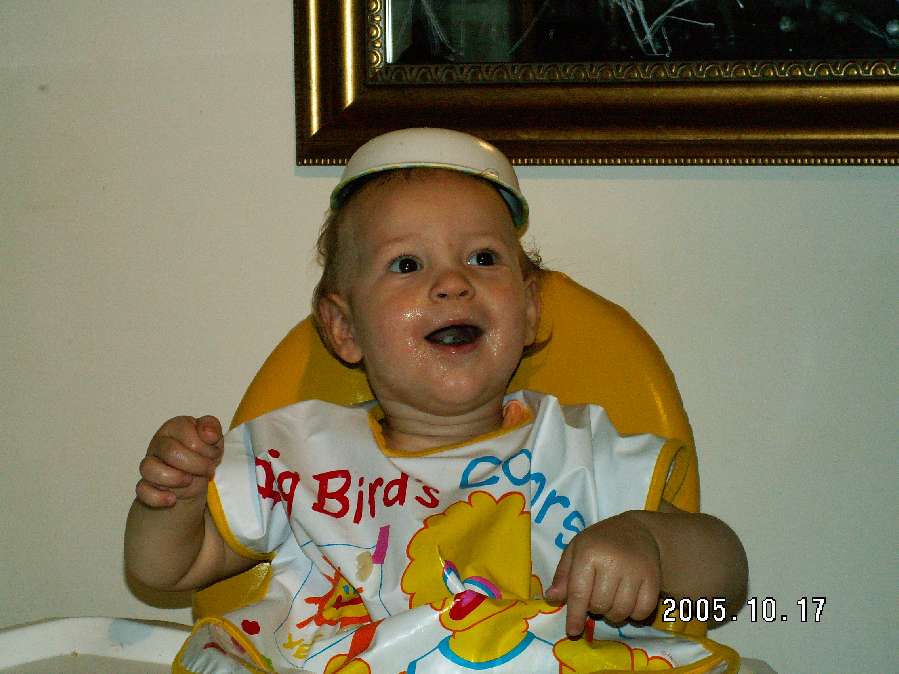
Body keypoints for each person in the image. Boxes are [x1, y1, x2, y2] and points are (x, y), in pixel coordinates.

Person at [125, 128, 747, 673]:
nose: (452, 282)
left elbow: (722, 591)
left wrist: (648, 543)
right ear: (344, 328)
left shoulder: (578, 450)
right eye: (406, 264)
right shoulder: (298, 453)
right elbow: (166, 569)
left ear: (530, 308)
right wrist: (174, 499)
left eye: (483, 257)